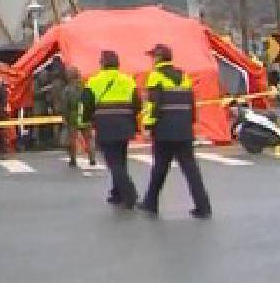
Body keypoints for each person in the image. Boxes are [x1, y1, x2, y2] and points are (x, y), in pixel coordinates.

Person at [138, 44, 212, 219]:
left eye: (153, 57)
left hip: (164, 130)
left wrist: (148, 126)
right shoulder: (184, 76)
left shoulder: (155, 77)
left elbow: (152, 105)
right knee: (191, 171)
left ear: (158, 58)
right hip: (184, 130)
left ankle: (151, 203)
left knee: (160, 168)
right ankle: (203, 206)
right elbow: (191, 103)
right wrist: (190, 122)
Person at [80, 51, 140, 208]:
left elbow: (86, 105)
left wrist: (84, 121)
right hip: (126, 124)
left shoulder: (94, 82)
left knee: (114, 163)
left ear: (102, 64)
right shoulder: (128, 80)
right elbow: (137, 104)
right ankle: (117, 193)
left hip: (105, 125)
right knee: (121, 160)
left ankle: (129, 194)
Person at [62, 66, 97, 168]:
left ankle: (73, 159)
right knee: (89, 138)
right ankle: (92, 158)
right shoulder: (86, 87)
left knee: (72, 138)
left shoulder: (67, 90)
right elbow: (91, 102)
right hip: (85, 115)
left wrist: (64, 117)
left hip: (73, 116)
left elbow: (65, 106)